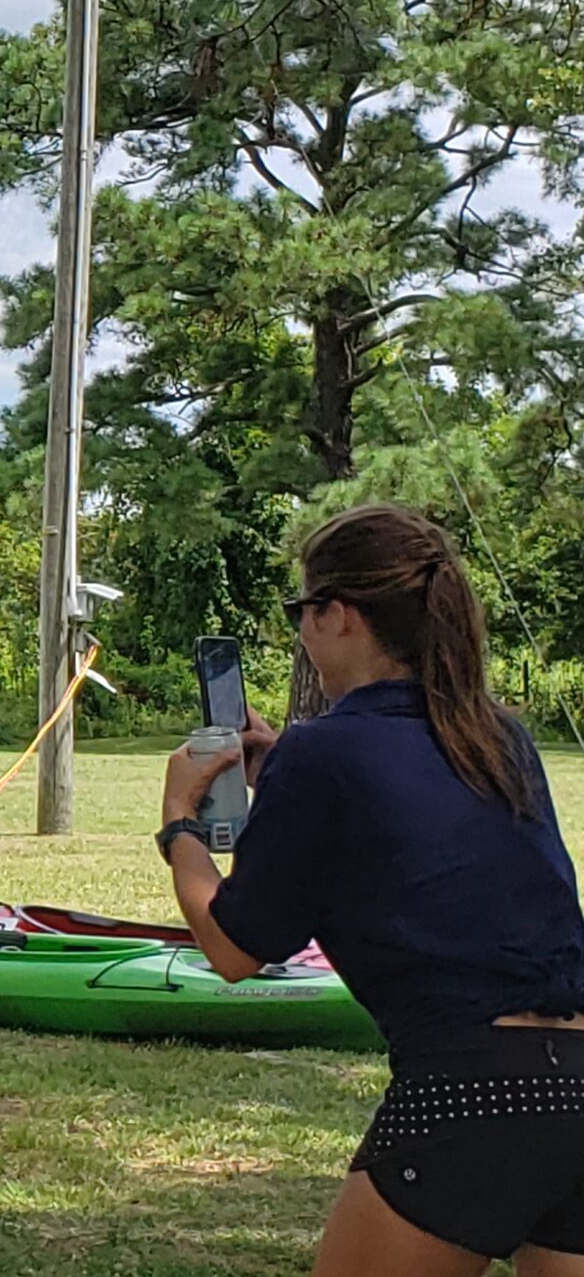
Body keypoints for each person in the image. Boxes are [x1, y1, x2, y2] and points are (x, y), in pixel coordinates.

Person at [160, 504, 584, 1276]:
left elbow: (232, 948)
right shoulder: (498, 738)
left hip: (466, 1091)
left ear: (340, 615)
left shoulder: (325, 756)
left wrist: (180, 823)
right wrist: (282, 768)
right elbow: (416, 812)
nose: (302, 631)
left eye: (303, 611)